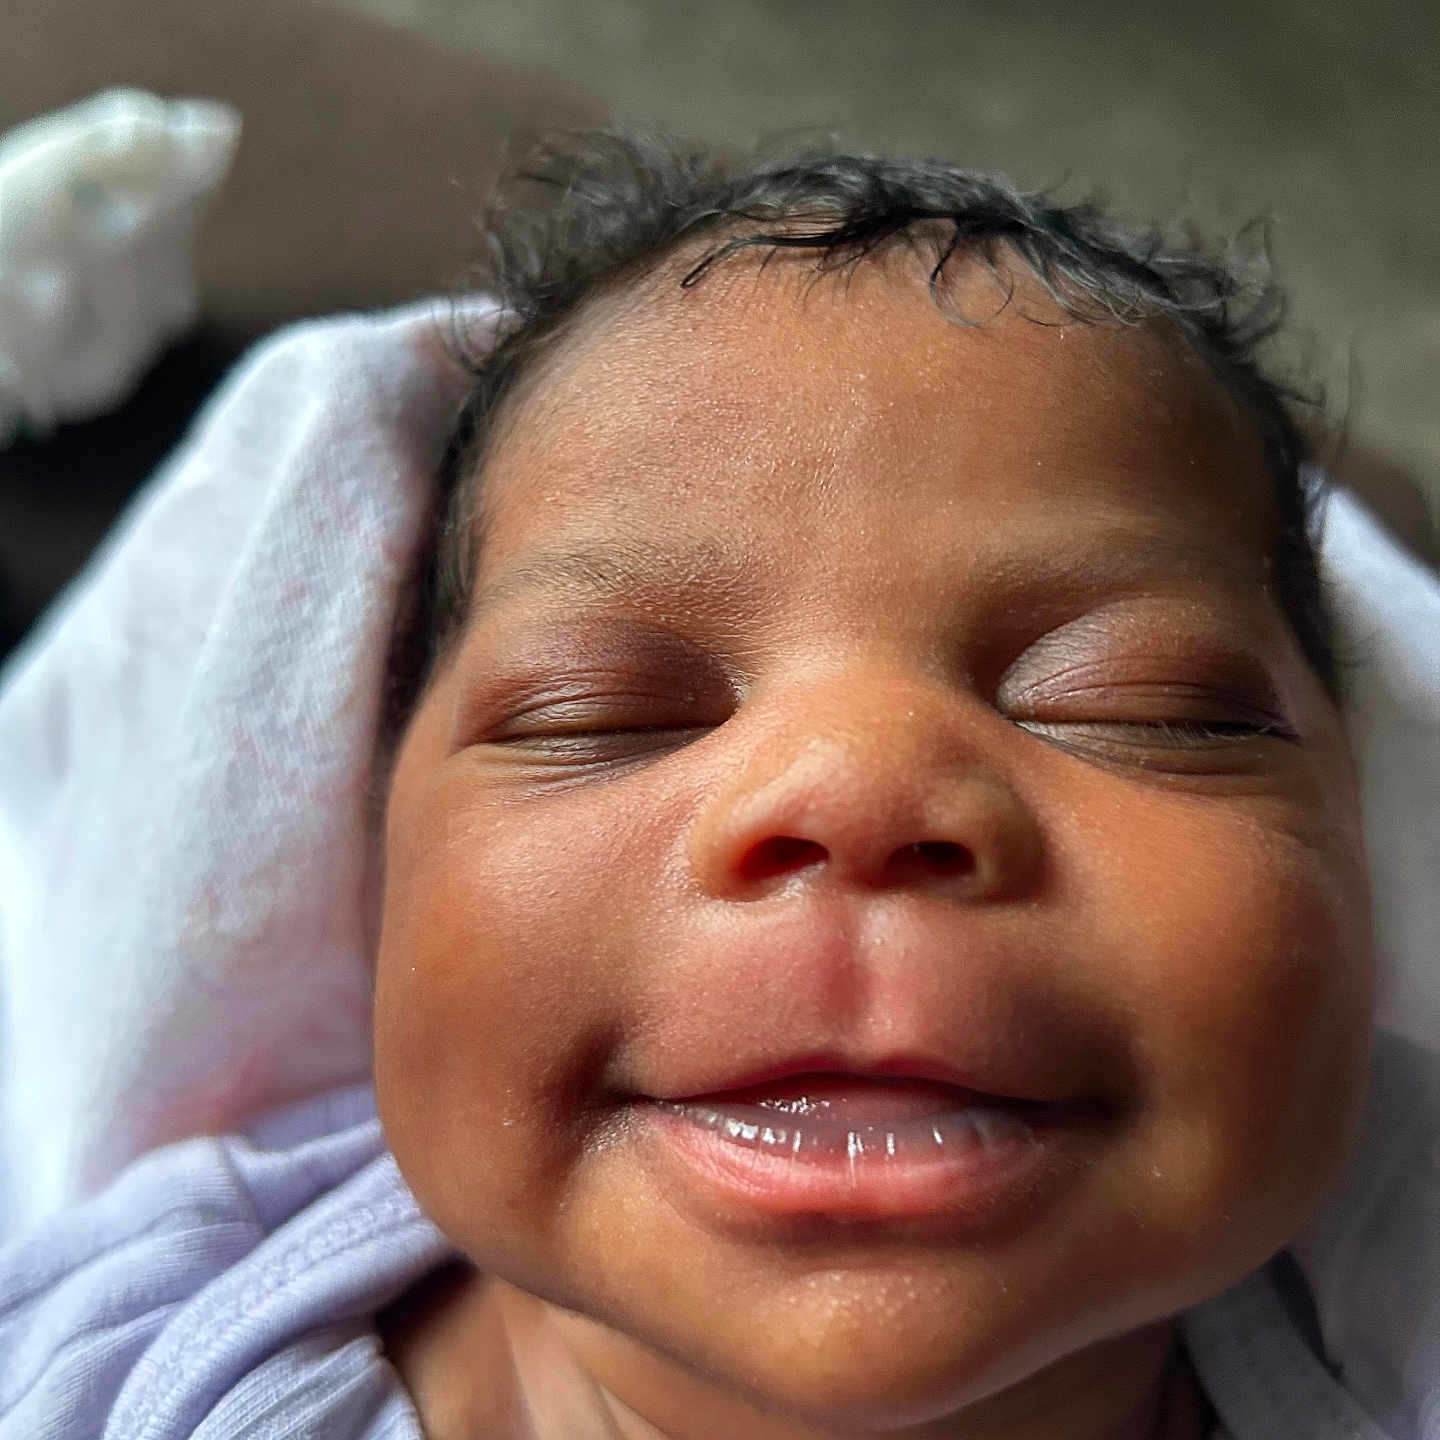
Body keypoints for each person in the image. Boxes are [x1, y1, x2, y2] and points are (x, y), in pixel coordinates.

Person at [2, 135, 1437, 1440]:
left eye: (1136, 708)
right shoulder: (119, 1362)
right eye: (598, 714)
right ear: (365, 869)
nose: (856, 785)